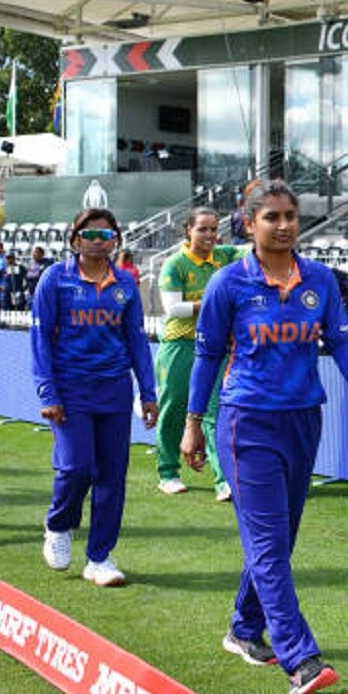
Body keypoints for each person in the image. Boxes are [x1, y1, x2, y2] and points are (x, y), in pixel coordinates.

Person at [180, 180, 348, 694]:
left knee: (279, 540)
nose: (285, 224)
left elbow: (337, 338)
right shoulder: (228, 284)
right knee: (268, 543)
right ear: (249, 225)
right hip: (247, 423)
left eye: (290, 215)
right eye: (272, 216)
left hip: (302, 420)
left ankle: (244, 630)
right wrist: (192, 422)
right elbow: (205, 358)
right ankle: (299, 658)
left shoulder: (320, 281)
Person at [33, 208, 159, 587]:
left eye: (107, 236)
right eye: (91, 235)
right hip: (71, 390)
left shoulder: (124, 284)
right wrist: (48, 390)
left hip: (115, 390)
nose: (99, 242)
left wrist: (148, 392)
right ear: (75, 239)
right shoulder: (55, 279)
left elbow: (136, 338)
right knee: (77, 468)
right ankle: (58, 524)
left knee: (112, 477)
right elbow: (40, 338)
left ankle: (99, 558)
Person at [155, 206, 241, 500]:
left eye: (214, 229)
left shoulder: (224, 256)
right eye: (202, 229)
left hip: (215, 346)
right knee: (175, 407)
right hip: (180, 345)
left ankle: (222, 480)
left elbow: (255, 252)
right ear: (187, 230)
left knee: (214, 412)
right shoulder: (174, 264)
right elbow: (173, 309)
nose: (209, 235)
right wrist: (213, 303)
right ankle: (167, 471)